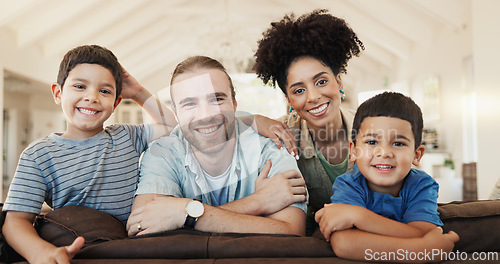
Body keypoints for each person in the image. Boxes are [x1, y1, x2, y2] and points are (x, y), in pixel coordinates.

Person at [2, 45, 177, 264]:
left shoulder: (127, 135)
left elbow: (172, 128)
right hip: (82, 247)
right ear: (58, 93)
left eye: (105, 91)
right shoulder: (39, 155)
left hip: (133, 246)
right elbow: (16, 221)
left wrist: (138, 92)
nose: (92, 97)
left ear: (116, 103)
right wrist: (40, 252)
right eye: (79, 86)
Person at [126, 56, 307, 236]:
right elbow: (141, 227)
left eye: (217, 99)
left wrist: (183, 215)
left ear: (234, 104)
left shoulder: (270, 146)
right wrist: (256, 202)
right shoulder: (163, 152)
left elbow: (291, 230)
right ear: (176, 113)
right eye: (189, 104)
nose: (206, 115)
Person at [253, 9, 363, 234]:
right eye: (299, 89)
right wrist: (252, 120)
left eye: (321, 81)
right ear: (289, 99)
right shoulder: (282, 135)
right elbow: (216, 129)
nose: (313, 97)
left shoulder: (372, 126)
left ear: (339, 82)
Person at [315, 92, 459, 262]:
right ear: (353, 151)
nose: (384, 153)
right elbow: (344, 244)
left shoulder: (422, 185)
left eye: (398, 143)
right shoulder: (349, 184)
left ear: (417, 155)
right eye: (372, 142)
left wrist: (358, 216)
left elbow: (423, 232)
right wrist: (421, 250)